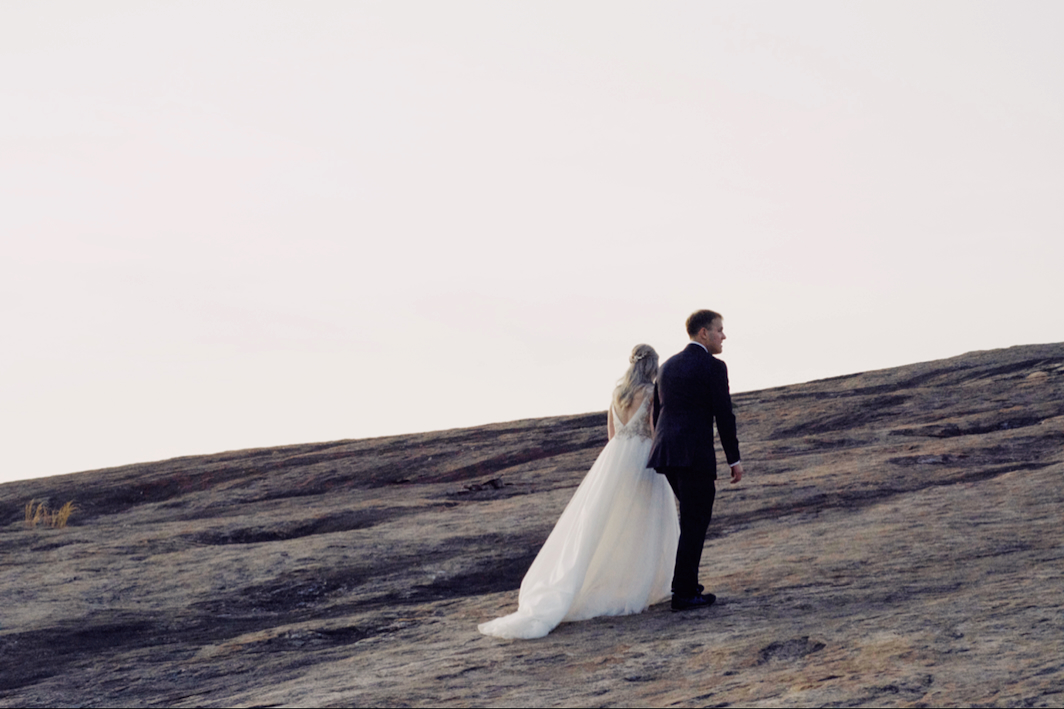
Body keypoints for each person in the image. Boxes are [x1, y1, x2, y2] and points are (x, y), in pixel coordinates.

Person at [478, 344, 680, 639]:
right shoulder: (650, 392)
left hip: (615, 457)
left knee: (605, 518)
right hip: (642, 457)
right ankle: (642, 582)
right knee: (645, 519)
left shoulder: (617, 393)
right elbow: (651, 428)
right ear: (652, 365)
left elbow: (612, 434)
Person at [648, 309, 744, 612]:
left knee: (690, 519)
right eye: (719, 330)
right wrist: (734, 459)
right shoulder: (714, 367)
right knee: (695, 521)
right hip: (693, 456)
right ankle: (685, 592)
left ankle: (686, 585)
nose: (723, 336)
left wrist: (659, 446)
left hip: (666, 454)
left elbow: (656, 413)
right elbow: (723, 415)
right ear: (703, 332)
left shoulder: (667, 366)